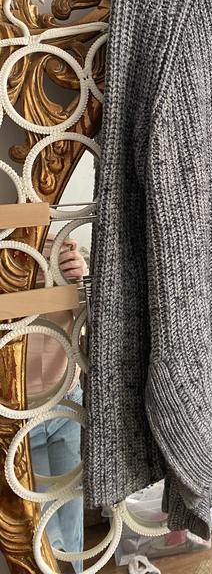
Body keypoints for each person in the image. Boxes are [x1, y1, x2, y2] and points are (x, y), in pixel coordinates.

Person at [27, 233, 89, 573]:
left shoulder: (59, 246)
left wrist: (80, 280)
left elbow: (90, 321)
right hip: (19, 413)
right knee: (42, 530)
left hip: (66, 400)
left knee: (71, 516)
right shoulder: (9, 254)